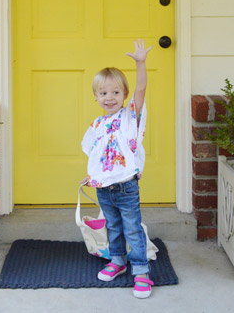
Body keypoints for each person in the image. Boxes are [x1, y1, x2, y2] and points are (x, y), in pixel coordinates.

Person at [81, 39, 154, 299]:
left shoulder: (130, 117)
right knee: (112, 226)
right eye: (103, 93)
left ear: (124, 95)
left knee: (132, 228)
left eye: (115, 92)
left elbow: (142, 89)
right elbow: (94, 154)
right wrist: (93, 176)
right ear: (96, 97)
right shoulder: (97, 124)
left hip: (126, 185)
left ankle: (141, 271)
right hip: (104, 186)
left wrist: (140, 63)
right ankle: (117, 260)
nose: (109, 98)